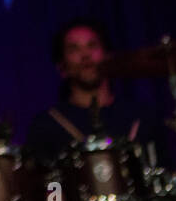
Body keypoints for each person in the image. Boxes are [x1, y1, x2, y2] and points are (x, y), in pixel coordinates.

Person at [24, 19, 168, 166]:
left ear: (107, 56)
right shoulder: (47, 126)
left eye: (92, 46)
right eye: (74, 49)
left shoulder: (141, 117)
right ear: (62, 68)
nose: (85, 55)